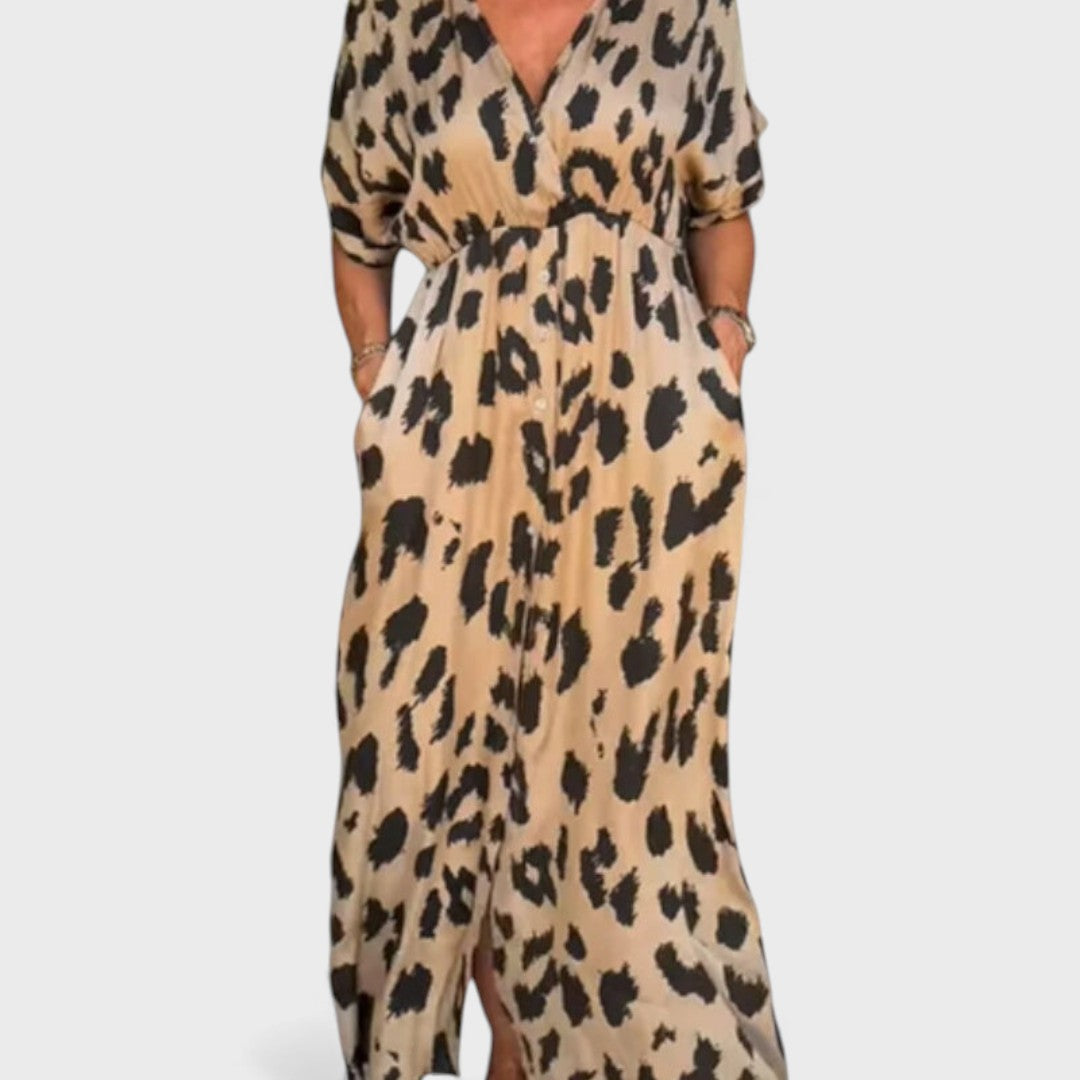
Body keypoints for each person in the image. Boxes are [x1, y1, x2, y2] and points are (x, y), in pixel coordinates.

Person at [320, 1, 787, 1077]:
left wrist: (721, 351)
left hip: (643, 462)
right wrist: (380, 384)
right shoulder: (396, 13)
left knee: (619, 770)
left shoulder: (684, 7)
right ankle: (518, 1047)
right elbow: (355, 221)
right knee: (427, 758)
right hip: (452, 448)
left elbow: (723, 203)